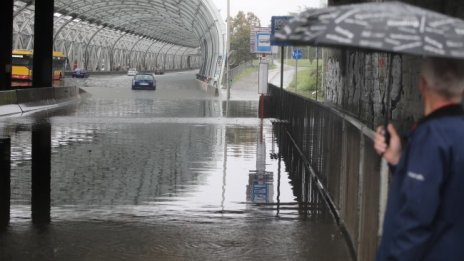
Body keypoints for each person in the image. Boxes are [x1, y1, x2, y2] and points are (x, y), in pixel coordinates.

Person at [374, 57, 464, 261]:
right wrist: (398, 160)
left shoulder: (432, 136)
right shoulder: (456, 132)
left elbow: (416, 219)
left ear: (422, 85)